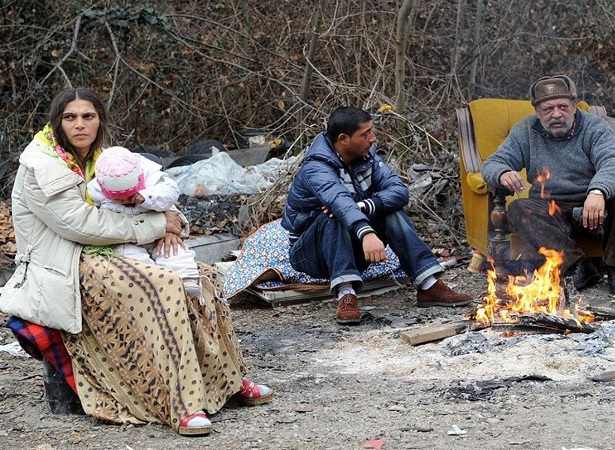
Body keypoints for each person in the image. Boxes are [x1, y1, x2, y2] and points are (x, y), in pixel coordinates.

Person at [0, 87, 271, 436]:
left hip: (114, 247)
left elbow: (152, 188)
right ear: (57, 122)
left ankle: (227, 380)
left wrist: (172, 222)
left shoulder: (107, 157)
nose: (80, 124)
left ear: (100, 120)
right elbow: (81, 225)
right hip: (66, 261)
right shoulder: (42, 165)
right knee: (163, 285)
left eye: (88, 116)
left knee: (203, 276)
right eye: (70, 117)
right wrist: (156, 225)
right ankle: (184, 404)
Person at [281, 106, 472, 324]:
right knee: (333, 214)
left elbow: (399, 191)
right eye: (365, 134)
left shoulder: (367, 157)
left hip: (353, 247)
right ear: (343, 139)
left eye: (371, 131)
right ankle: (346, 294)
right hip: (310, 254)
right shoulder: (316, 168)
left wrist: (364, 206)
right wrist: (366, 233)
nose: (373, 138)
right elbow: (339, 201)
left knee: (390, 212)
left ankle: (428, 285)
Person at [481, 74, 615, 294]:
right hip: (551, 206)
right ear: (537, 111)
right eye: (547, 109)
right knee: (519, 208)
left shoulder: (595, 128)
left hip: (590, 203)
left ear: (574, 106)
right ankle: (577, 265)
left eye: (562, 107)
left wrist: (598, 191)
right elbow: (493, 163)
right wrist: (502, 172)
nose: (556, 114)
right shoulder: (525, 130)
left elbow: (614, 164)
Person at [88, 146, 202, 298]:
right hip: (125, 239)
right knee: (131, 260)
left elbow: (170, 193)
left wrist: (147, 197)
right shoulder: (93, 192)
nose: (125, 202)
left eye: (130, 197)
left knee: (173, 250)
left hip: (158, 235)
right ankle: (151, 281)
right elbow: (93, 220)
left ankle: (186, 279)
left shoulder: (152, 179)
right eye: (119, 200)